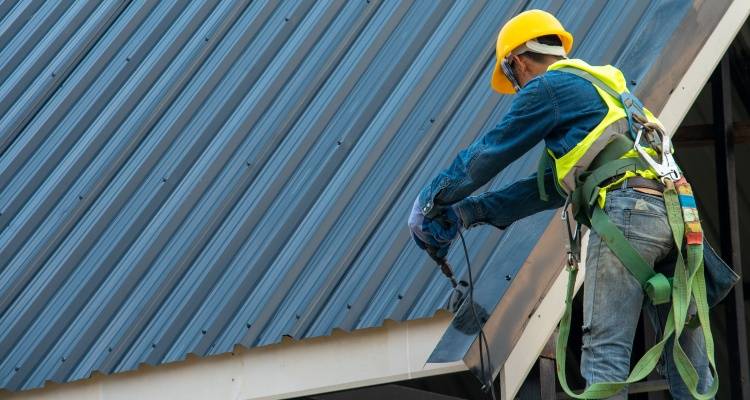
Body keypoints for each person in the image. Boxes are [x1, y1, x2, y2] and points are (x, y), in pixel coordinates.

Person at [408, 9, 714, 400]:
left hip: (628, 215)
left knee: (605, 357)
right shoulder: (606, 89)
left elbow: (489, 153)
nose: (518, 89)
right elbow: (549, 189)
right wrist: (468, 213)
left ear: (516, 61)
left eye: (514, 79)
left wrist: (432, 198)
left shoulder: (548, 88)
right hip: (675, 218)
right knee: (690, 365)